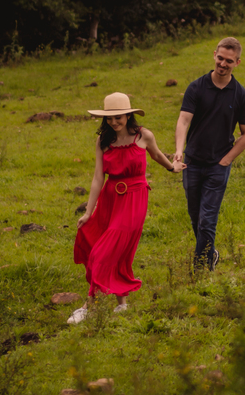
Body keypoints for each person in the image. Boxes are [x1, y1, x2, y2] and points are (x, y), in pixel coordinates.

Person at [69, 92, 175, 324]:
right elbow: (98, 178)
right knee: (109, 246)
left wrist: (172, 168)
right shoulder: (103, 141)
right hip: (110, 198)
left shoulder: (144, 135)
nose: (114, 122)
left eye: (118, 117)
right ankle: (122, 304)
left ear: (128, 115)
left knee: (105, 251)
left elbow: (157, 155)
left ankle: (89, 306)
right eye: (109, 118)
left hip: (135, 197)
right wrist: (89, 211)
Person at [172, 37, 245, 271]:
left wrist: (226, 160)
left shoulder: (241, 95)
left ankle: (201, 268)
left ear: (237, 63)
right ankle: (211, 252)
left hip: (218, 166)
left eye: (229, 61)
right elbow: (184, 120)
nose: (223, 64)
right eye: (220, 58)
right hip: (192, 162)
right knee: (196, 217)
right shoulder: (196, 88)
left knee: (208, 219)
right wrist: (179, 151)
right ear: (214, 55)